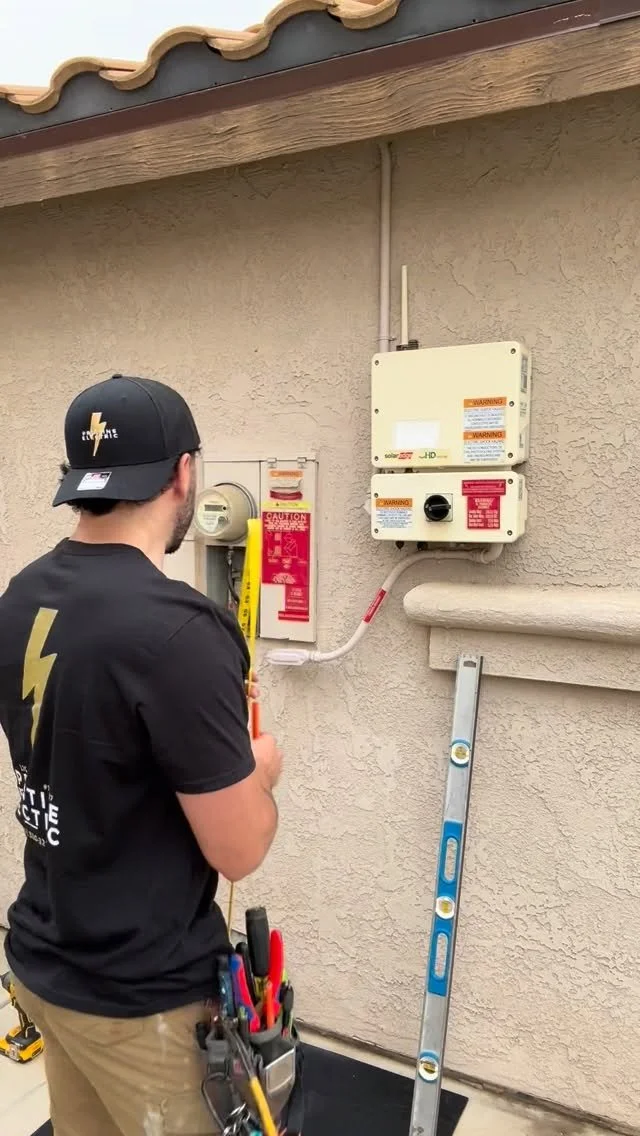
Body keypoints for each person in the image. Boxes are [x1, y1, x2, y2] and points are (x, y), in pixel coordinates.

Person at [0, 373, 283, 1136]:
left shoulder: (19, 597)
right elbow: (239, 849)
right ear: (183, 473)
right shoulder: (179, 633)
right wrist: (261, 767)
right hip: (141, 1001)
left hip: (44, 963)